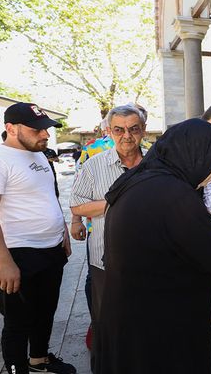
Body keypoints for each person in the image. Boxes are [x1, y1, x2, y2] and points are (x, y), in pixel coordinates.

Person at [94, 120, 211, 374]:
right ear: (193, 154)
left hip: (130, 318)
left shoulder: (145, 179)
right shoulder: (174, 193)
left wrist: (204, 225)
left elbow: (160, 231)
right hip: (158, 329)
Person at [0, 102, 76, 374]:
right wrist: (3, 262)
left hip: (50, 249)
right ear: (11, 128)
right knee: (18, 320)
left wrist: (62, 232)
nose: (44, 134)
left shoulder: (37, 155)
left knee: (45, 311)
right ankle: (16, 368)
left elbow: (48, 195)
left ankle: (39, 360)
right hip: (16, 251)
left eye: (45, 128)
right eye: (36, 129)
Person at [69, 105, 147, 365]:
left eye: (133, 129)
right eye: (119, 130)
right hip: (106, 261)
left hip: (153, 260)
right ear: (109, 132)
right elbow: (77, 205)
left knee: (146, 323)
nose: (127, 135)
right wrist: (116, 201)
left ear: (143, 130)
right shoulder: (94, 166)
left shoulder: (157, 164)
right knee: (107, 324)